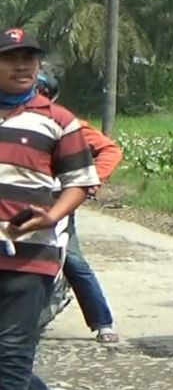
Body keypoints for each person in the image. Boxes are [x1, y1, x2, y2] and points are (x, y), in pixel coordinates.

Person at [0, 28, 99, 390]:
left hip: (31, 255)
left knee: (10, 352)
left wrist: (52, 216)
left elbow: (81, 182)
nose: (22, 65)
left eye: (29, 58)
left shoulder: (59, 120)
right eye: (10, 58)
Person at [36, 72, 123, 344]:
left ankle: (102, 321)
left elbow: (110, 150)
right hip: (12, 200)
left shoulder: (64, 121)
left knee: (71, 259)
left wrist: (90, 179)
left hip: (55, 200)